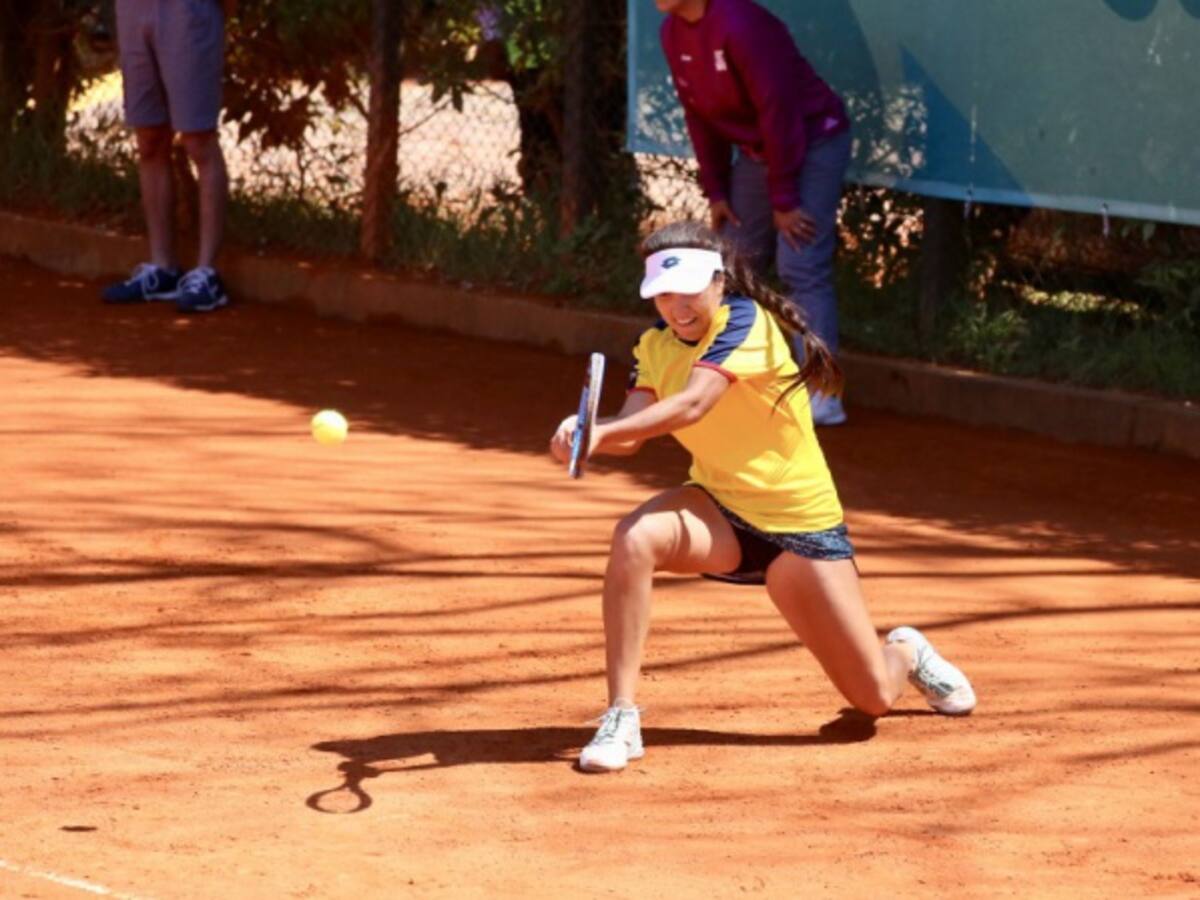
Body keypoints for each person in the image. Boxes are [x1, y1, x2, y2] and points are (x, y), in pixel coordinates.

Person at [549, 221, 975, 773]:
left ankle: (906, 652)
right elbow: (632, 432)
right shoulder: (652, 346)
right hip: (720, 513)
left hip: (801, 528)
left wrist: (602, 431)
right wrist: (587, 437)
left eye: (690, 291)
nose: (678, 306)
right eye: (664, 293)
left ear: (720, 282)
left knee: (871, 699)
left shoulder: (747, 323)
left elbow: (695, 404)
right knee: (635, 536)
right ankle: (622, 715)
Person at [657, 0, 852, 424]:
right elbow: (698, 113)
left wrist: (784, 200)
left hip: (814, 140)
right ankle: (723, 383)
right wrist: (716, 190)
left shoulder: (742, 25)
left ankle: (822, 394)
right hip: (758, 152)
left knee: (800, 263)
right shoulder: (672, 32)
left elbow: (778, 112)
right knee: (730, 263)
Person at [101, 0, 233, 313]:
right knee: (149, 139)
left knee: (198, 140)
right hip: (133, 9)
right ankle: (163, 269)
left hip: (188, 10)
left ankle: (207, 274)